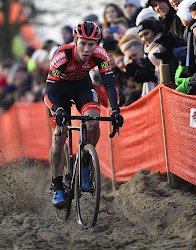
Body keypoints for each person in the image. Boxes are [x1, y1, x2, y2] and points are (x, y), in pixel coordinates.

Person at [44, 21, 124, 208]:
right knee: (59, 136)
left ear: (97, 43)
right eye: (83, 43)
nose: (87, 49)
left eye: (92, 44)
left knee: (93, 123)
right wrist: (58, 109)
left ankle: (86, 165)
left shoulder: (100, 54)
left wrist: (115, 110)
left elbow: (110, 85)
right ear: (75, 41)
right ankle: (57, 186)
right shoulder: (62, 56)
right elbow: (48, 92)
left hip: (82, 87)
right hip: (59, 92)